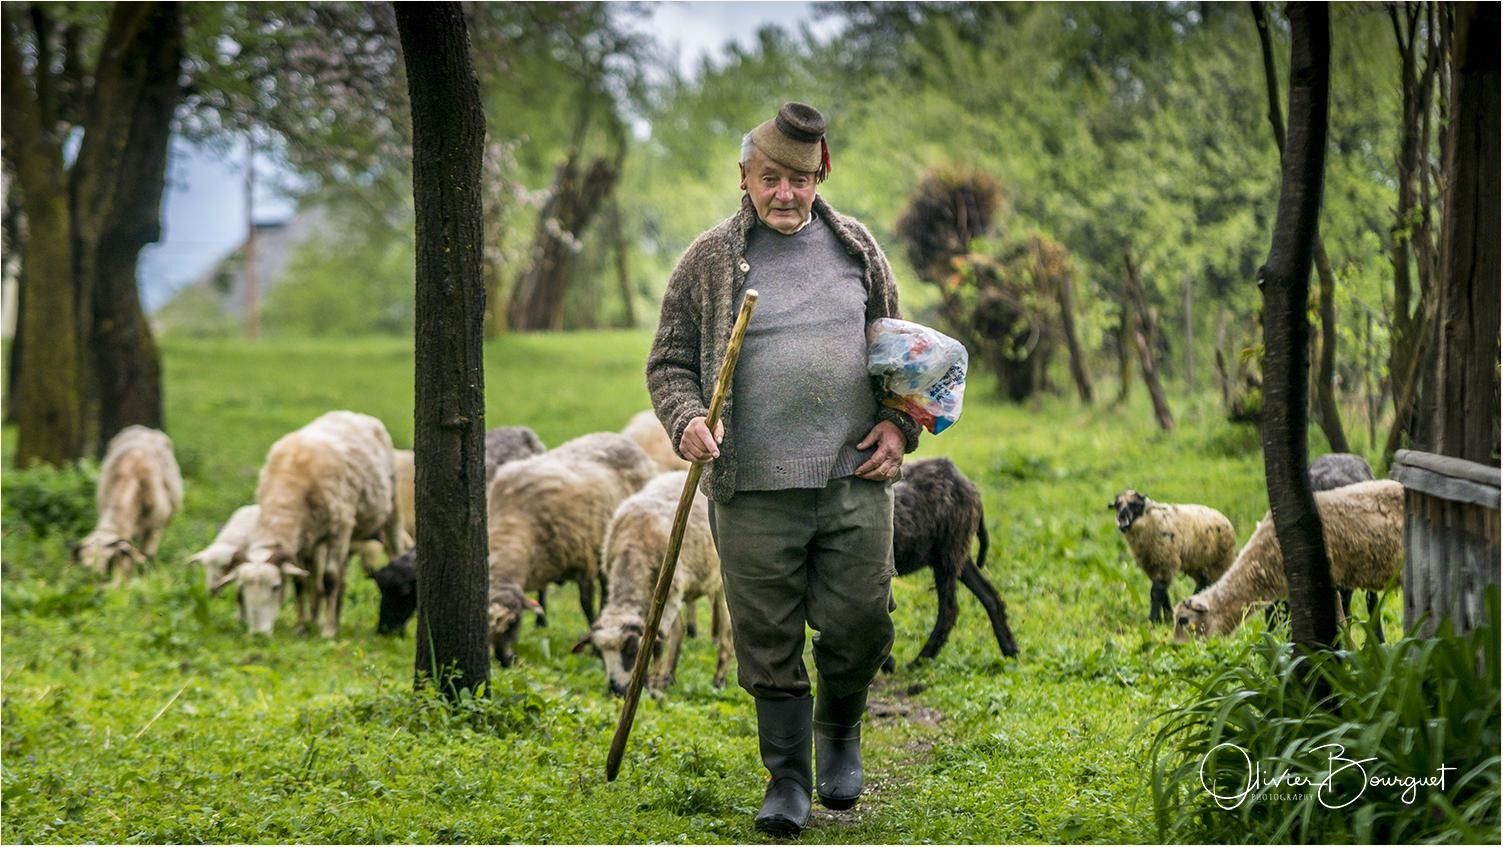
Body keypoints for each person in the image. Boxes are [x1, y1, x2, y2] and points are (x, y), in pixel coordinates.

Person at [646, 102, 921, 837]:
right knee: (766, 637)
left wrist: (897, 426)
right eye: (770, 178)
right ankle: (789, 777)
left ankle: (839, 732)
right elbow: (669, 363)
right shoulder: (708, 261)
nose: (785, 194)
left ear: (819, 174)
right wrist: (686, 421)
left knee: (859, 621)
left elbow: (899, 361)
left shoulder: (856, 248)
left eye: (799, 179)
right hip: (752, 488)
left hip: (851, 478)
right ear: (744, 177)